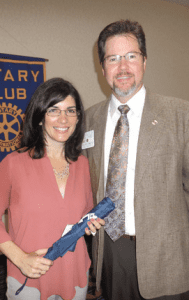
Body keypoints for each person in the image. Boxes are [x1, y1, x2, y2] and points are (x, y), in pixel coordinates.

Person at [83, 20, 189, 300]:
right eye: (113, 59)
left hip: (168, 257)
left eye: (131, 56)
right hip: (110, 253)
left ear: (144, 61)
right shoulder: (88, 120)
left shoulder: (181, 114)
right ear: (102, 68)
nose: (123, 67)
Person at [0, 77, 104, 300]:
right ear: (39, 117)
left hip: (75, 274)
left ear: (78, 118)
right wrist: (19, 258)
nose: (63, 119)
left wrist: (89, 224)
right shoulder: (13, 163)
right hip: (28, 278)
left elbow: (82, 215)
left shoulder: (83, 165)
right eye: (54, 110)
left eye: (71, 111)